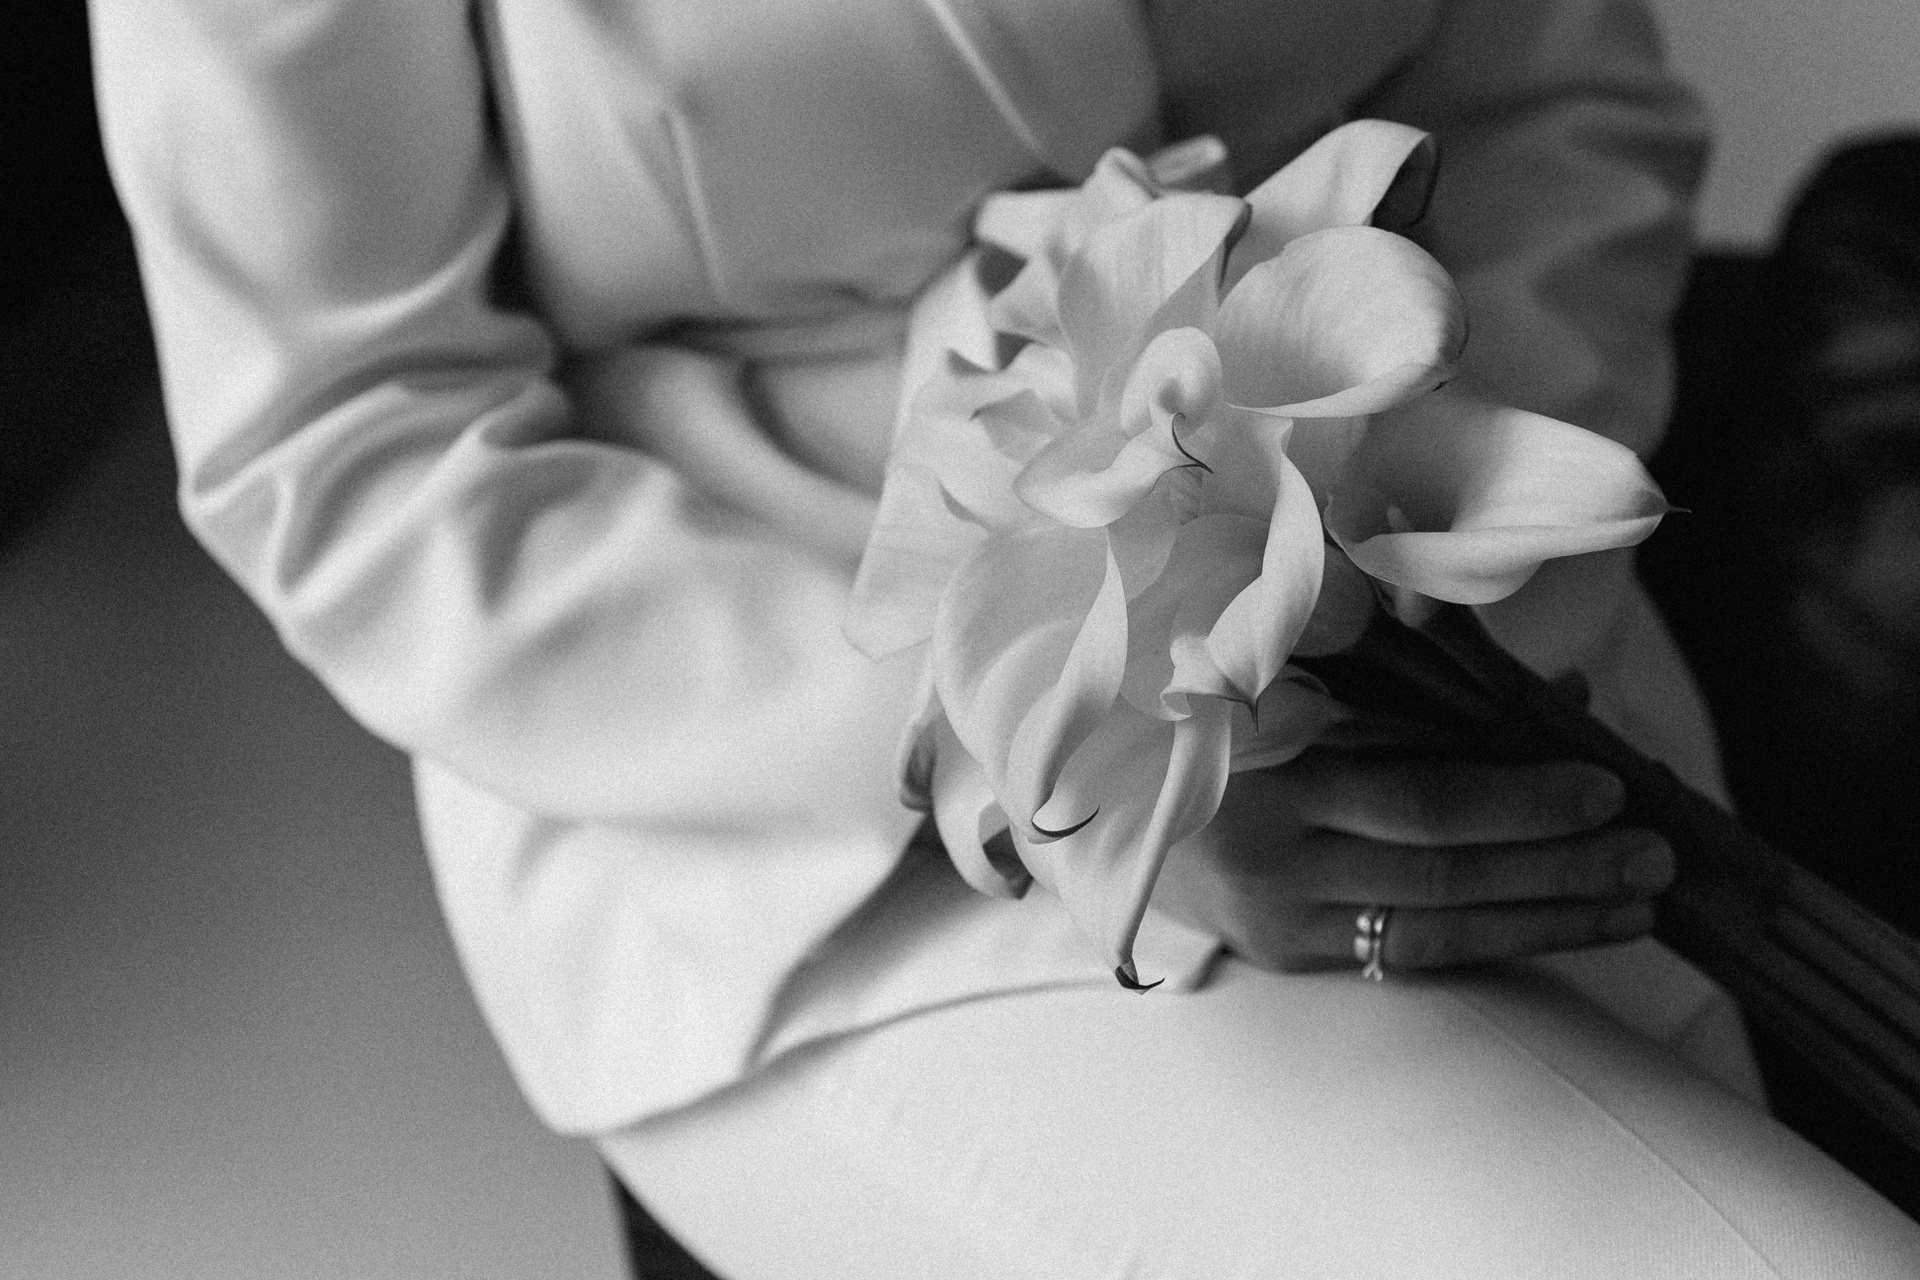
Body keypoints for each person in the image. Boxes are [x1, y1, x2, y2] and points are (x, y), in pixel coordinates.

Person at [91, 0, 1920, 1274]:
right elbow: (344, 440)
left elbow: (1558, 94)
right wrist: (1069, 760)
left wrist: (1415, 529)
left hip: (1451, 595)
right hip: (798, 783)